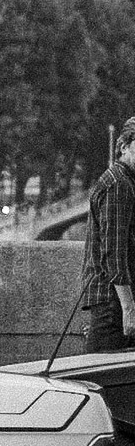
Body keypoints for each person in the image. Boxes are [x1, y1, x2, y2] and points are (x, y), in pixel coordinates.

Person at [81, 117, 135, 352]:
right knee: (103, 382)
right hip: (112, 303)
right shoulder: (119, 184)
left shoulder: (124, 181)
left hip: (111, 303)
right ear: (124, 146)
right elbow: (114, 252)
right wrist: (128, 308)